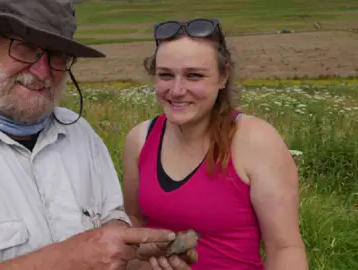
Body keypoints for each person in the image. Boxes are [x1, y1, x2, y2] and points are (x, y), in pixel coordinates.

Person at [0, 1, 197, 269]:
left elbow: (110, 220)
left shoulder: (82, 136)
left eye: (57, 54)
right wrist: (69, 258)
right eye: (25, 47)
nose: (43, 71)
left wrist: (134, 252)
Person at [122, 18, 309, 269]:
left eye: (194, 75)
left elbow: (285, 248)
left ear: (223, 76)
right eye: (165, 75)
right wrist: (142, 255)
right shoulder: (140, 139)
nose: (177, 90)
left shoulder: (255, 141)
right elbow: (134, 220)